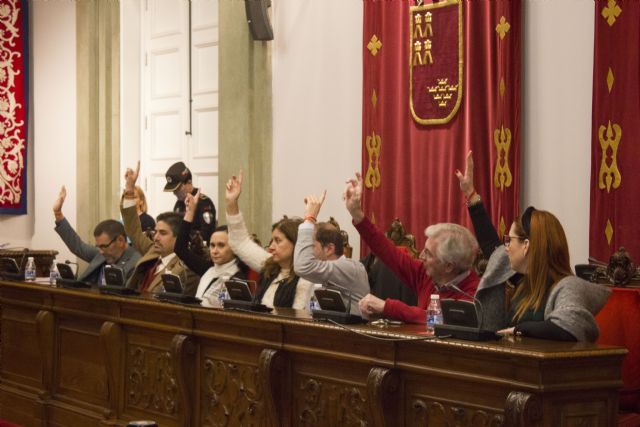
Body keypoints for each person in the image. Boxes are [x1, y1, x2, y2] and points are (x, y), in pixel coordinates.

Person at [455, 151, 610, 341]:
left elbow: (569, 327)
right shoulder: (523, 281)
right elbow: (492, 249)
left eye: (509, 240)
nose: (505, 248)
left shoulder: (567, 286)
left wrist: (519, 330)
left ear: (526, 245)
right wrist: (471, 195)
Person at [343, 172, 480, 324]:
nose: (421, 256)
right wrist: (356, 214)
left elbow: (438, 320)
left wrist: (387, 307)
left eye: (428, 253)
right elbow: (387, 252)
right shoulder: (426, 273)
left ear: (448, 266)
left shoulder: (473, 293)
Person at [225, 170, 313, 310]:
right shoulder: (270, 264)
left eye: (278, 241)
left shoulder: (306, 279)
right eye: (272, 240)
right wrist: (231, 202)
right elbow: (239, 242)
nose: (271, 246)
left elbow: (300, 320)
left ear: (296, 244)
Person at [122, 163, 199, 295]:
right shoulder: (154, 250)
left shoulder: (185, 268)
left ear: (178, 237)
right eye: (156, 232)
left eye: (163, 233)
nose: (156, 237)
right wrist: (129, 189)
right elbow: (133, 229)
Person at [293, 191, 370, 314]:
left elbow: (302, 266)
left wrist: (309, 218)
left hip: (352, 333)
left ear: (329, 249)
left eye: (311, 246)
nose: (307, 252)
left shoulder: (350, 268)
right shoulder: (320, 272)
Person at [174, 190, 248, 307]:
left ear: (234, 248)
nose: (214, 251)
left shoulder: (238, 278)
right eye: (212, 245)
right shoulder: (208, 268)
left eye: (221, 245)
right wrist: (190, 212)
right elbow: (180, 249)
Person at [52, 186, 141, 283]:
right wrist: (58, 214)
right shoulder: (102, 253)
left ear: (120, 240)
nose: (101, 251)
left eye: (104, 246)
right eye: (98, 247)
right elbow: (78, 246)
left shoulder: (135, 262)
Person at [164, 161, 216, 243]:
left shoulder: (203, 202)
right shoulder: (179, 204)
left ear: (189, 182)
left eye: (177, 189)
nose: (174, 193)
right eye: (173, 190)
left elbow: (207, 234)